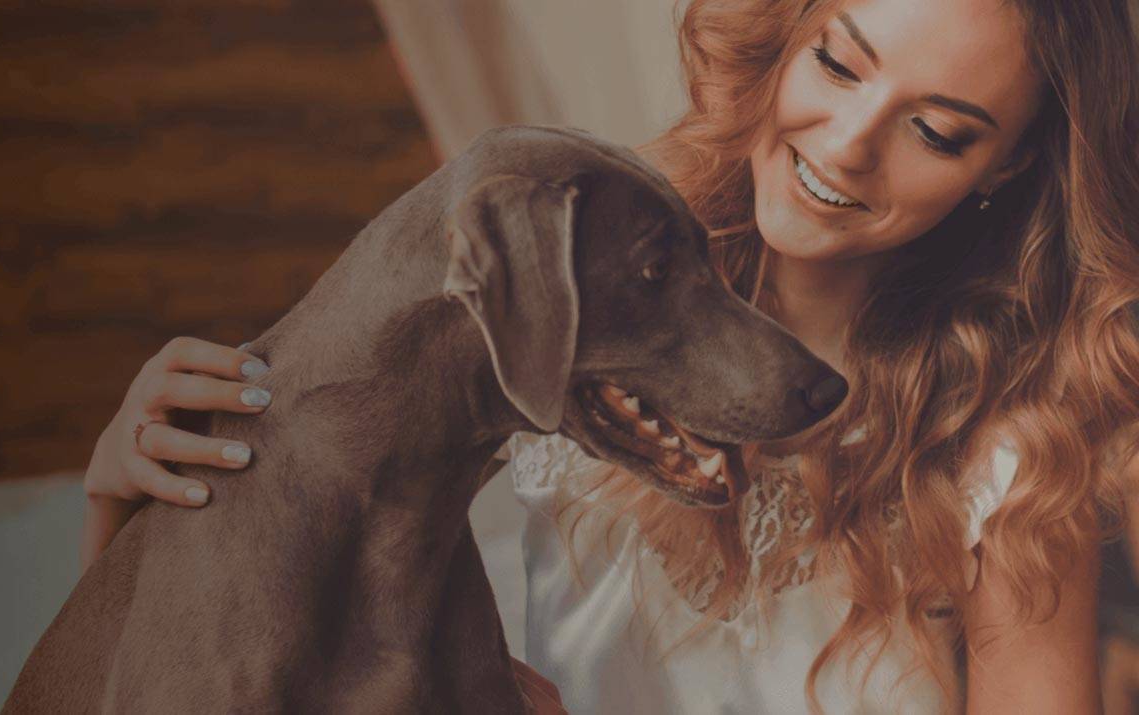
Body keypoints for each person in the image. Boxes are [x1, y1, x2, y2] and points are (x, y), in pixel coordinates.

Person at [80, 0, 1139, 711]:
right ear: (786, 33)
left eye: (937, 131)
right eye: (836, 61)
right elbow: (251, 635)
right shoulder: (574, 278)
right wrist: (124, 499)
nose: (849, 141)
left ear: (1006, 169)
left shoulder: (1011, 454)